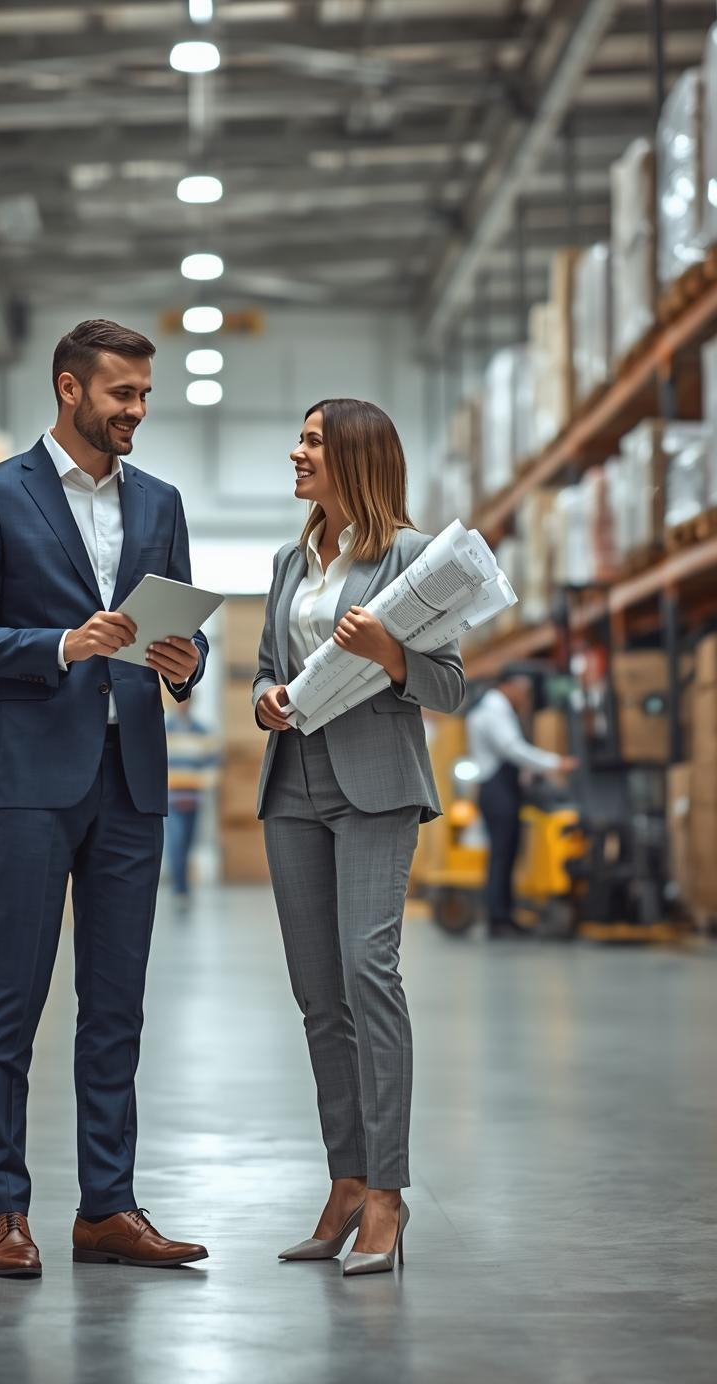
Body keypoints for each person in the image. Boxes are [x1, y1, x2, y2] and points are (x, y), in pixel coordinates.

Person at [0, 319, 211, 1278]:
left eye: (143, 395)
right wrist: (60, 645)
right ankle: (2, 1208)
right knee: (11, 996)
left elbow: (183, 634)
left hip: (131, 774)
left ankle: (108, 1206)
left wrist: (185, 664)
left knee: (117, 1002)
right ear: (68, 389)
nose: (137, 410)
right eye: (120, 394)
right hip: (30, 778)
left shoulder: (162, 502)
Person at [252, 398, 466, 1277]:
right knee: (316, 996)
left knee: (368, 976)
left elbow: (450, 687)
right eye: (300, 439)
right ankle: (345, 1180)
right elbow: (273, 664)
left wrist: (388, 653)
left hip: (374, 789)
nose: (296, 452)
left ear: (355, 457)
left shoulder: (412, 561)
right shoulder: (286, 560)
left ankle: (388, 1193)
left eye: (312, 441)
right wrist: (264, 697)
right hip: (292, 785)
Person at [464, 669, 579, 940]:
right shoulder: (492, 711)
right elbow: (512, 748)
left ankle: (505, 916)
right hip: (497, 790)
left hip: (503, 788)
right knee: (502, 855)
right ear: (508, 686)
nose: (525, 698)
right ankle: (498, 920)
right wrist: (555, 763)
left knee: (508, 854)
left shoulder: (498, 709)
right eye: (523, 691)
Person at [164, 697, 219, 908]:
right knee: (176, 842)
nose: (183, 705)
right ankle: (180, 888)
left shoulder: (203, 731)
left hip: (194, 798)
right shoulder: (164, 730)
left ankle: (183, 885)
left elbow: (212, 765)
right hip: (172, 799)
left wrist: (198, 785)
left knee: (188, 843)